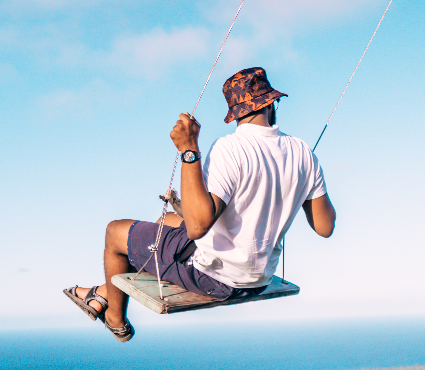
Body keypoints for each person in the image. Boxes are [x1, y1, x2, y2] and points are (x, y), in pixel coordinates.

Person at [64, 67, 336, 342]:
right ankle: (102, 292)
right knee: (166, 221)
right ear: (271, 103)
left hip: (215, 277)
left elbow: (197, 228)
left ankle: (115, 319)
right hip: (259, 277)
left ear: (235, 112)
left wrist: (189, 150)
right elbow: (324, 227)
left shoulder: (229, 148)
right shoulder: (302, 151)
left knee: (115, 232)